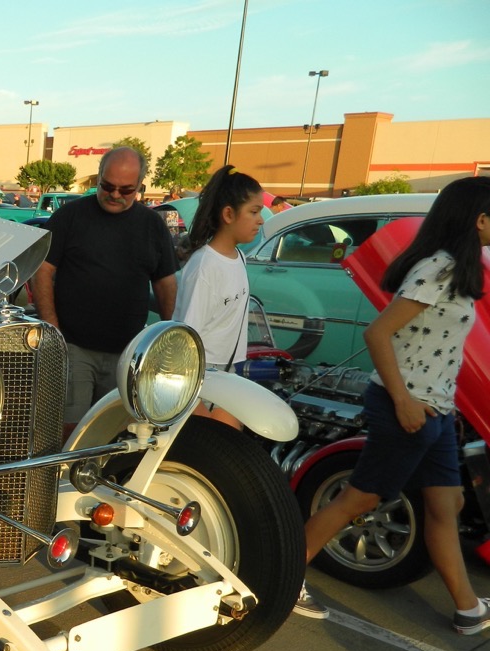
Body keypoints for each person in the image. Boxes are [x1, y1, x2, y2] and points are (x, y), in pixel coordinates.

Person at [300, 176, 490, 624]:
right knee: (358, 500)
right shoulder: (438, 269)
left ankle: (468, 608)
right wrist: (403, 401)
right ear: (480, 220)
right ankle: (280, 582)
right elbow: (378, 333)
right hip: (407, 410)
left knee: (449, 506)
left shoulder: (459, 271)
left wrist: (447, 405)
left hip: (437, 411)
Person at [31, 146, 178, 426]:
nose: (114, 195)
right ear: (98, 177)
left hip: (127, 352)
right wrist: (52, 329)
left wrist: (169, 339)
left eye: (126, 190)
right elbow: (42, 270)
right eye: (107, 186)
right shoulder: (70, 217)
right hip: (73, 347)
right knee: (68, 428)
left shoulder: (151, 226)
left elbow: (165, 283)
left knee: (111, 432)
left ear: (140, 187)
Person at [172, 166, 265, 430]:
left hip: (228, 373)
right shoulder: (204, 266)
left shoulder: (240, 258)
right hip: (199, 378)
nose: (260, 220)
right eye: (254, 212)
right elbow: (184, 339)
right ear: (228, 214)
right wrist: (192, 399)